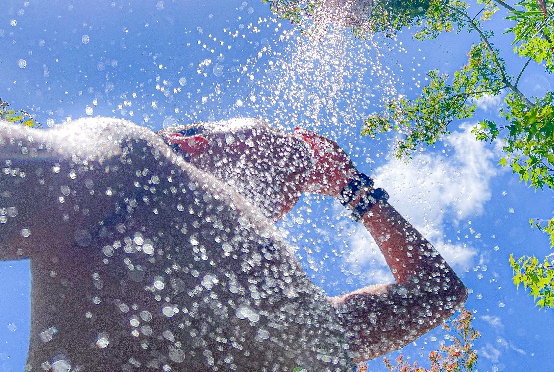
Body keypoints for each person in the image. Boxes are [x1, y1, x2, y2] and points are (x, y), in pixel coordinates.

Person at [0, 117, 467, 371]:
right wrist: (351, 186)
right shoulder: (132, 164)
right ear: (191, 141)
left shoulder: (294, 314)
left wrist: (355, 188)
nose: (299, 150)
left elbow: (438, 292)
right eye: (279, 132)